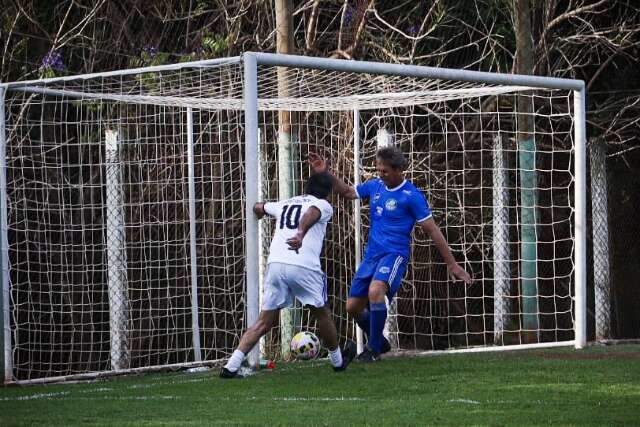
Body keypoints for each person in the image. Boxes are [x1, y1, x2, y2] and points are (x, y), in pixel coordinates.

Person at [308, 146, 472, 362]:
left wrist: (451, 263)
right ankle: (381, 342)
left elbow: (433, 230)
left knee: (376, 292)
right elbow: (348, 192)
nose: (380, 174)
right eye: (379, 170)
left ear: (398, 170)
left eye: (384, 171)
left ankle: (373, 349)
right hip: (372, 256)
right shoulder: (376, 186)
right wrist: (325, 173)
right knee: (353, 307)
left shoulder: (411, 196)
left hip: (394, 255)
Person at [220, 172, 356, 378]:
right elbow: (312, 211)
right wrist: (300, 233)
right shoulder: (324, 205)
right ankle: (338, 362)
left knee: (264, 321)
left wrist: (259, 211)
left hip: (275, 264)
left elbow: (259, 206)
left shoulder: (285, 203)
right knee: (322, 313)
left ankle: (231, 366)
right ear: (328, 192)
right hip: (302, 264)